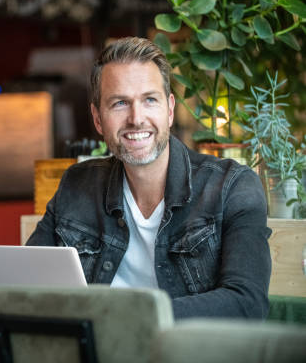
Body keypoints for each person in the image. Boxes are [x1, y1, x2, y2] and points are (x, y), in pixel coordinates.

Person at [26, 36, 271, 319]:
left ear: (169, 109)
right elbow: (28, 283)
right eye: (119, 103)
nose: (136, 118)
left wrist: (132, 316)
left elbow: (247, 303)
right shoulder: (76, 185)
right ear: (97, 118)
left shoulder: (232, 187)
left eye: (149, 100)